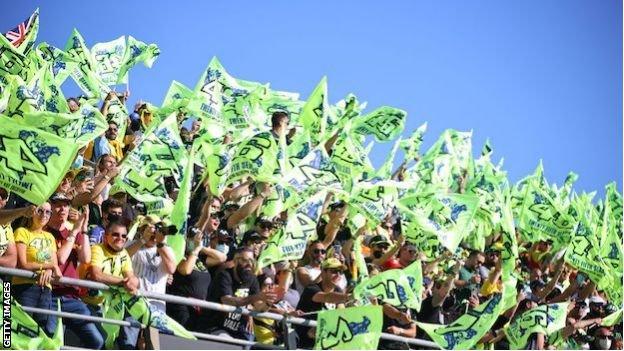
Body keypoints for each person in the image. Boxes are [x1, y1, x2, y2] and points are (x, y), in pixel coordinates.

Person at [45, 193, 104, 349]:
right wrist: (74, 231)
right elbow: (60, 259)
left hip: (71, 296)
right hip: (49, 295)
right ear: (50, 206)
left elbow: (85, 258)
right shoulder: (44, 231)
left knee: (96, 340)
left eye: (65, 204)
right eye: (58, 204)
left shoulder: (75, 232)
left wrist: (83, 230)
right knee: (51, 343)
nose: (62, 208)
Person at [84, 220, 140, 349]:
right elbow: (97, 275)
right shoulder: (97, 249)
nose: (120, 238)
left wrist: (133, 282)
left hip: (113, 307)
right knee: (100, 343)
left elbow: (131, 278)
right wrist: (122, 282)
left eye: (124, 236)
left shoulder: (124, 253)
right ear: (106, 236)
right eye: (115, 234)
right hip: (92, 304)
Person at [205, 248, 277, 343]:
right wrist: (256, 297)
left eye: (251, 260)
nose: (249, 264)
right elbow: (227, 300)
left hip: (239, 329)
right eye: (244, 260)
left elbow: (259, 307)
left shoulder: (252, 279)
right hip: (216, 326)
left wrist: (267, 303)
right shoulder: (224, 275)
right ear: (235, 261)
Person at [13, 202, 63, 336]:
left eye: (48, 212)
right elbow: (23, 264)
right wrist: (49, 267)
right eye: (40, 210)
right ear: (32, 212)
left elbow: (54, 263)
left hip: (45, 290)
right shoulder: (22, 232)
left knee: (44, 333)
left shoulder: (50, 237)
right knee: (24, 333)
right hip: (25, 288)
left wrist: (49, 270)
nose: (44, 215)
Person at [295, 258, 351, 348]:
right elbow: (327, 297)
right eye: (334, 271)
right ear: (323, 272)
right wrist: (348, 297)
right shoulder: (311, 289)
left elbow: (341, 313)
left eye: (340, 272)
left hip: (325, 343)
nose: (338, 275)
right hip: (304, 343)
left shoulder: (338, 290)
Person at [126, 215, 177, 312]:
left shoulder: (166, 249)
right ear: (142, 230)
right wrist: (143, 239)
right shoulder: (132, 244)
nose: (154, 234)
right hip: (134, 302)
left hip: (156, 305)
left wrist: (160, 244)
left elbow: (171, 269)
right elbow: (122, 257)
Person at [0, 187, 35, 268]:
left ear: (6, 201)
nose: (0, 198)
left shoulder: (6, 225)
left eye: (3, 195)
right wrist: (23, 211)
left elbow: (12, 261)